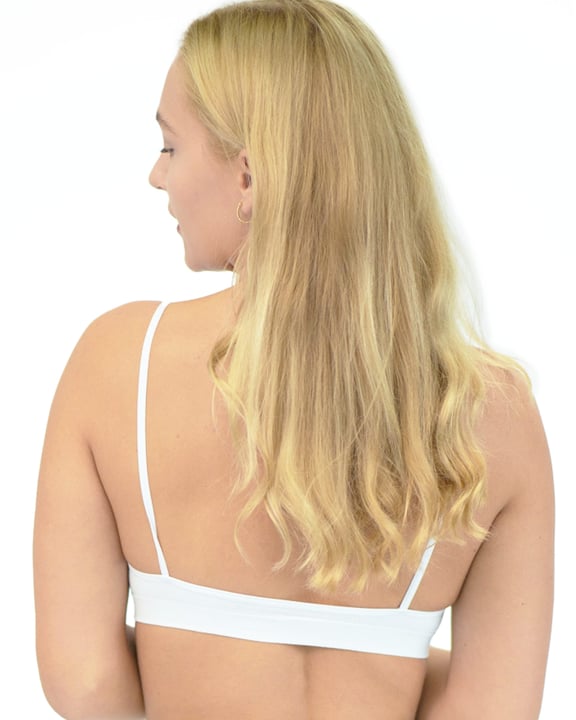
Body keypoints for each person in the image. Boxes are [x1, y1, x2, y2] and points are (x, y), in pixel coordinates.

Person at [33, 1, 554, 718]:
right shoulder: (494, 412)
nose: (157, 175)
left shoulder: (120, 363)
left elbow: (85, 681)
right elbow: (494, 707)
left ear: (248, 177)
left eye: (170, 146)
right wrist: (377, 666)